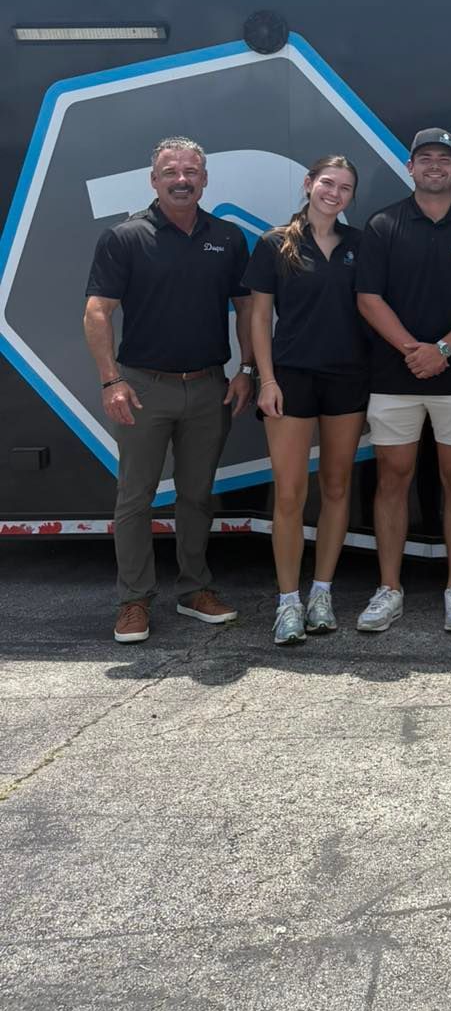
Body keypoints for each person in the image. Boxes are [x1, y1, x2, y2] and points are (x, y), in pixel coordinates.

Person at [82, 136, 254, 642]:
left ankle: (195, 589)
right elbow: (97, 312)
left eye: (190, 172)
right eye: (170, 171)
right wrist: (110, 379)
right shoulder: (125, 237)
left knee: (197, 495)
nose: (182, 179)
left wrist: (247, 370)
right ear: (153, 180)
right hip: (142, 388)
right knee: (135, 498)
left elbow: (246, 309)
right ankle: (134, 601)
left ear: (205, 180)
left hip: (208, 388)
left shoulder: (228, 236)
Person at [353, 129, 451, 635]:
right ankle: (389, 589)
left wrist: (441, 350)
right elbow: (368, 299)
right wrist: (412, 351)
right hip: (394, 378)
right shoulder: (383, 224)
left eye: (444, 159)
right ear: (410, 167)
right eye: (426, 159)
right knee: (392, 480)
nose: (435, 166)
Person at [246, 156, 369, 646]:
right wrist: (266, 380)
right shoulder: (276, 243)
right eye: (327, 183)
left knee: (337, 489)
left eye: (345, 187)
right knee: (291, 494)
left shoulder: (360, 245)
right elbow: (259, 319)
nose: (334, 193)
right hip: (290, 379)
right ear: (308, 185)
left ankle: (321, 594)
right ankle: (288, 604)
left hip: (347, 378)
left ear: (351, 197)